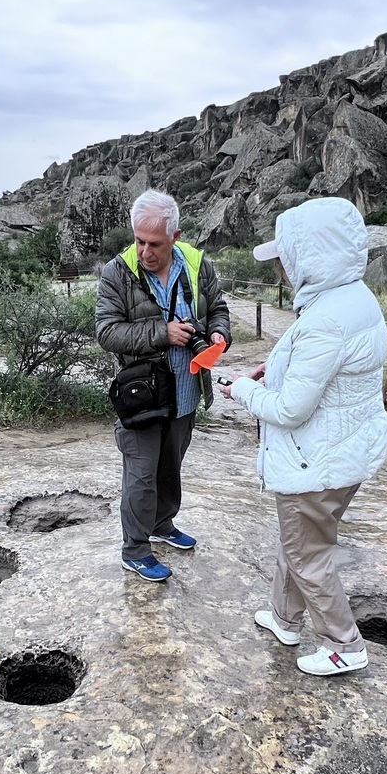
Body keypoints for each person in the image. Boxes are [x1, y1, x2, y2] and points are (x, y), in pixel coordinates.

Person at [223, 197, 387, 676]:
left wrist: (243, 390)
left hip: (314, 460)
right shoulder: (351, 297)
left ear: (310, 255)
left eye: (286, 257)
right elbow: (322, 368)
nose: (282, 268)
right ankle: (285, 618)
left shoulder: (326, 318)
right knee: (298, 542)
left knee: (306, 553)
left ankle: (344, 645)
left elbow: (290, 410)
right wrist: (273, 368)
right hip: (342, 450)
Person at [96, 189, 232, 581]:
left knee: (170, 468)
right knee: (141, 476)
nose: (144, 251)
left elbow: (218, 308)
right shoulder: (117, 272)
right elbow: (107, 332)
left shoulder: (197, 265)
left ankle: (162, 525)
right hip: (142, 397)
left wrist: (219, 335)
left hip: (185, 393)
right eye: (139, 241)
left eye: (154, 243)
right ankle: (135, 550)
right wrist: (163, 333)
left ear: (176, 236)